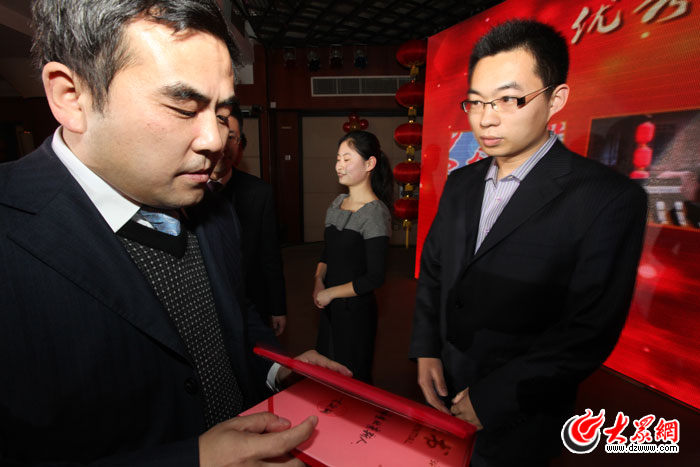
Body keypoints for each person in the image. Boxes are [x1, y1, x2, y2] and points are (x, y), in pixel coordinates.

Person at [0, 1, 350, 465]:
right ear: (71, 95)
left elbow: (232, 315)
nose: (215, 141)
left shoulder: (213, 205)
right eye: (184, 107)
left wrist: (277, 370)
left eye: (221, 112)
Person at [409, 19, 648, 466]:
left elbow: (589, 328)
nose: (486, 118)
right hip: (444, 380)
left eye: (509, 99)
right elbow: (436, 270)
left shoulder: (607, 198)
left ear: (556, 99)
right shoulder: (460, 183)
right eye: (476, 101)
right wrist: (425, 348)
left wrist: (494, 397)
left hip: (523, 409)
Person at [312, 130, 394, 383]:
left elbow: (375, 277)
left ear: (370, 164)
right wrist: (318, 280)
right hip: (330, 306)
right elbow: (328, 252)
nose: (339, 166)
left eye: (347, 159)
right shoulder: (337, 203)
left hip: (355, 311)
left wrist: (331, 293)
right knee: (326, 373)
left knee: (352, 377)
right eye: (338, 159)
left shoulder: (375, 213)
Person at [209, 103, 288, 336]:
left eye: (231, 137)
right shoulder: (184, 191)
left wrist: (277, 307)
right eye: (218, 135)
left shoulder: (259, 192)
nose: (223, 145)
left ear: (240, 143)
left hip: (250, 304)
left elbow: (270, 254)